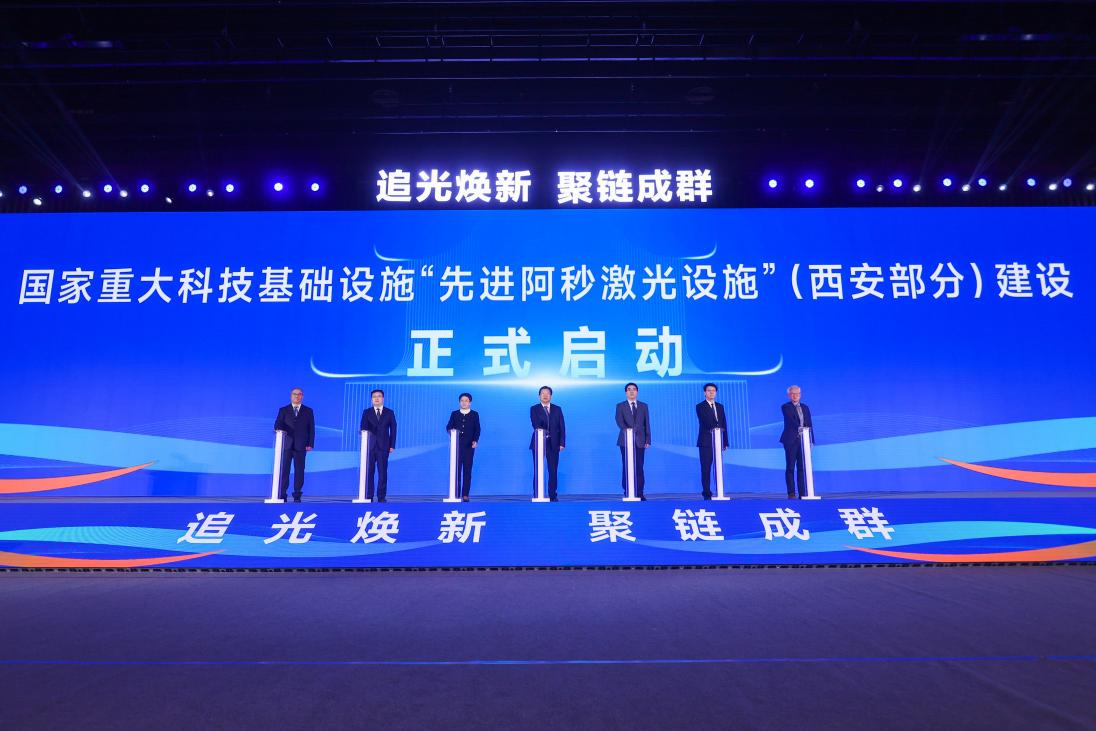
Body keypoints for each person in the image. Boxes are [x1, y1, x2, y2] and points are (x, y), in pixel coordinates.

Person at [273, 387, 314, 502]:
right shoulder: (283, 410)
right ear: (291, 396)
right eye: (295, 394)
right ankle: (282, 493)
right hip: (286, 445)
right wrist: (278, 428)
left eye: (299, 394)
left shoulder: (308, 411)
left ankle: (297, 494)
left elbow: (311, 429)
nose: (297, 396)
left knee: (299, 470)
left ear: (302, 396)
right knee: (284, 470)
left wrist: (310, 443)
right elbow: (277, 424)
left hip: (301, 445)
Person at [615, 382, 651, 500]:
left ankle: (640, 492)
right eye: (629, 389)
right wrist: (627, 431)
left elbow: (647, 423)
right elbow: (619, 421)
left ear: (637, 392)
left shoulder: (643, 406)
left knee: (639, 467)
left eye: (634, 389)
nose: (631, 391)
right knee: (627, 466)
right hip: (625, 441)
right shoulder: (620, 406)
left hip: (640, 441)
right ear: (626, 392)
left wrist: (648, 439)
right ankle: (627, 491)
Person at [360, 388, 397, 502]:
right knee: (369, 472)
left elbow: (394, 429)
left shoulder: (389, 412)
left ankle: (381, 496)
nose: (376, 398)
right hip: (369, 447)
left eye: (379, 396)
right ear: (371, 399)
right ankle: (369, 496)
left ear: (383, 398)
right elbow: (363, 428)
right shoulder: (367, 412)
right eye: (374, 397)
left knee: (382, 473)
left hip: (383, 447)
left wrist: (392, 445)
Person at [529, 386, 565, 501]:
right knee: (538, 470)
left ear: (551, 396)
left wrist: (562, 443)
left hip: (554, 443)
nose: (545, 395)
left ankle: (552, 495)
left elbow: (562, 426)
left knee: (553, 470)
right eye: (543, 393)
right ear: (539, 395)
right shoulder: (534, 409)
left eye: (547, 393)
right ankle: (537, 494)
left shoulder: (557, 409)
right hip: (538, 442)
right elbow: (535, 424)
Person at [780, 385, 815, 499]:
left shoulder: (805, 407)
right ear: (789, 395)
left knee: (802, 468)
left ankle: (802, 493)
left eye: (797, 394)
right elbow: (791, 420)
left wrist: (811, 440)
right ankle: (791, 493)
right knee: (790, 467)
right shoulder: (786, 407)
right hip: (791, 440)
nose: (795, 396)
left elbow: (809, 424)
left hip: (804, 441)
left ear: (800, 395)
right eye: (793, 394)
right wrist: (801, 428)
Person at [695, 382, 728, 500]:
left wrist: (725, 441)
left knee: (719, 467)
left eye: (713, 391)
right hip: (705, 442)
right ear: (705, 393)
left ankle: (720, 492)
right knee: (706, 468)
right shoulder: (700, 406)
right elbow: (705, 421)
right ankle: (707, 493)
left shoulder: (720, 406)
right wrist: (715, 428)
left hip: (718, 441)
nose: (711, 392)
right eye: (709, 390)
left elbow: (724, 424)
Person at [445, 392, 481, 502]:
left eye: (466, 400)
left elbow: (477, 429)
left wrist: (475, 440)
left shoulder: (474, 414)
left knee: (467, 471)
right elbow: (448, 427)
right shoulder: (454, 414)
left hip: (469, 447)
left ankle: (465, 494)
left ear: (470, 402)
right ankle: (455, 493)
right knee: (456, 471)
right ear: (459, 402)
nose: (464, 402)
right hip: (456, 447)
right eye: (462, 400)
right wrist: (451, 432)